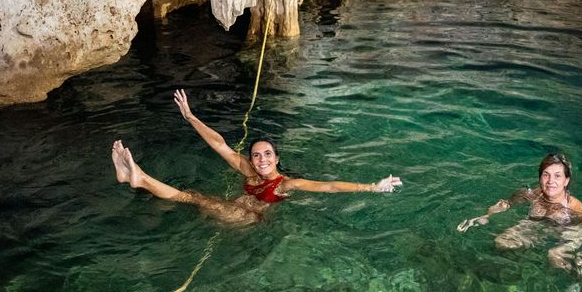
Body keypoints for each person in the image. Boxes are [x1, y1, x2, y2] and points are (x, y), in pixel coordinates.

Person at [111, 89, 402, 225]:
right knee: (192, 196)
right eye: (256, 155)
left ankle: (140, 178)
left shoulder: (285, 184)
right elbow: (220, 145)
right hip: (232, 210)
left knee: (195, 198)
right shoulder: (249, 172)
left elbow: (328, 186)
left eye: (267, 155)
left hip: (247, 220)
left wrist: (371, 187)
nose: (261, 159)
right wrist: (190, 117)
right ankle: (134, 177)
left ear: (276, 158)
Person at [457, 153, 582, 278]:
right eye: (546, 175)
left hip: (570, 229)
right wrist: (484, 216)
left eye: (557, 176)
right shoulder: (532, 195)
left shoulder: (574, 206)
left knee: (555, 256)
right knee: (502, 241)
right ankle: (517, 267)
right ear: (540, 178)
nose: (551, 181)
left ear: (566, 181)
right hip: (540, 225)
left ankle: (576, 281)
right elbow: (506, 203)